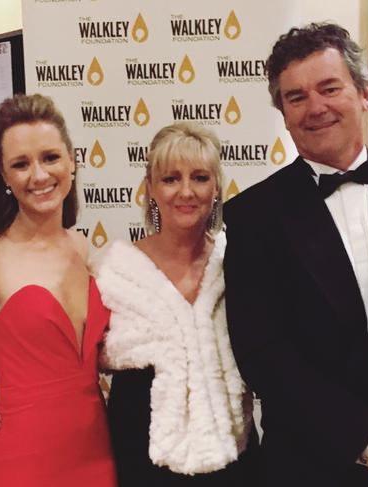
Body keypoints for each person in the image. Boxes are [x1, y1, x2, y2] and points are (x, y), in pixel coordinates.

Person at [223, 22, 368, 487]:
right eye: (296, 97)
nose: (315, 107)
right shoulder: (250, 217)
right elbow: (263, 354)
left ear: (365, 93)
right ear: (283, 114)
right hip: (308, 467)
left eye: (329, 88)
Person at [0, 93, 117, 487]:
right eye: (21, 165)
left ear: (72, 161)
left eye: (50, 158)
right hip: (20, 457)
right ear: (4, 176)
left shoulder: (84, 247)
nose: (39, 176)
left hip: (95, 450)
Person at [95, 122, 258, 486]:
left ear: (216, 187)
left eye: (200, 177)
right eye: (170, 179)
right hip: (142, 459)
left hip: (235, 459)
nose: (186, 191)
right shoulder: (114, 272)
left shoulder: (238, 262)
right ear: (150, 188)